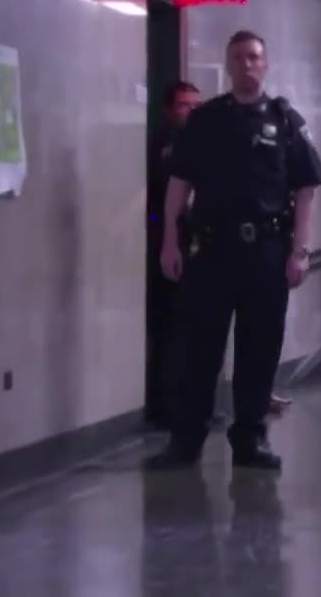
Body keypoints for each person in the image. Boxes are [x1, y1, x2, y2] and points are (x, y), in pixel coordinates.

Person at [145, 29, 321, 471]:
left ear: (265, 64)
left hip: (266, 250)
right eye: (239, 58)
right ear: (228, 66)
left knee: (259, 349)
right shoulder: (206, 120)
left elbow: (305, 191)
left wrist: (299, 251)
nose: (248, 65)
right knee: (199, 348)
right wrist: (170, 239)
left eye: (255, 57)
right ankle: (186, 439)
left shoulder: (285, 121)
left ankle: (251, 437)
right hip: (211, 250)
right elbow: (179, 184)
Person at [145, 80, 201, 429]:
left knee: (194, 329)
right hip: (170, 245)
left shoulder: (201, 144)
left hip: (197, 245)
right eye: (184, 105)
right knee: (171, 329)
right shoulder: (165, 146)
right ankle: (166, 407)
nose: (191, 112)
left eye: (197, 105)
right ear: (170, 109)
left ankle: (189, 404)